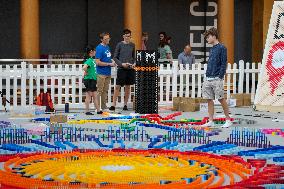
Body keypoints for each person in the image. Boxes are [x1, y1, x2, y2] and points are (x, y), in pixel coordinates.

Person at [201, 27, 233, 128]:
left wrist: (220, 77)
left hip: (217, 78)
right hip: (208, 77)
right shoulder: (212, 49)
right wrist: (207, 75)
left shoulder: (222, 48)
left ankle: (228, 119)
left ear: (214, 36)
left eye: (208, 37)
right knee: (209, 99)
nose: (207, 39)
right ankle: (211, 120)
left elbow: (224, 63)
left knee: (221, 99)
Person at [109, 29, 135, 111]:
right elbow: (115, 57)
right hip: (121, 68)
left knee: (128, 87)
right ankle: (113, 104)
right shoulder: (119, 45)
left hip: (130, 68)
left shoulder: (132, 45)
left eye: (129, 36)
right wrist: (121, 64)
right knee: (117, 86)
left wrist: (134, 63)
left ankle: (125, 104)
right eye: (126, 36)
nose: (128, 38)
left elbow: (134, 57)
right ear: (123, 36)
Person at [95, 32, 116, 111]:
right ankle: (97, 107)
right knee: (99, 91)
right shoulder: (99, 48)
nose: (108, 40)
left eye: (108, 38)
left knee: (105, 91)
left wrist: (113, 62)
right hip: (101, 73)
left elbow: (108, 58)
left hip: (107, 72)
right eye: (106, 39)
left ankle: (103, 106)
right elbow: (97, 62)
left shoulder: (107, 47)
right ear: (101, 39)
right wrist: (109, 64)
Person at [82, 45, 103, 115]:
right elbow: (84, 67)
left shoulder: (91, 60)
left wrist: (87, 72)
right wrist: (87, 72)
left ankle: (98, 110)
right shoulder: (89, 60)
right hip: (89, 80)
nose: (95, 52)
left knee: (95, 95)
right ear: (91, 52)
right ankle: (87, 110)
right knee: (89, 95)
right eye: (95, 51)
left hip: (92, 80)